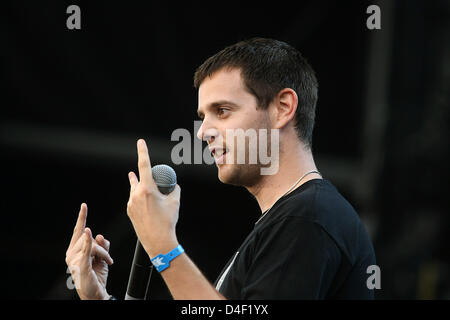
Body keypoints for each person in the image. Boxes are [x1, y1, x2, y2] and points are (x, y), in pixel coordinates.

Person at [65, 38, 376, 300]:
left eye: (222, 111)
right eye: (204, 115)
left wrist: (162, 244)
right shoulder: (290, 220)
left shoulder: (309, 218)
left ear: (283, 108)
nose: (202, 132)